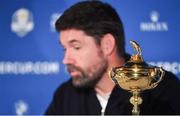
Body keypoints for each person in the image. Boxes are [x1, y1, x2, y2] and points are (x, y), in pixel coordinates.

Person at [45, 0, 180, 115]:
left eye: (76, 47)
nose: (66, 59)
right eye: (64, 49)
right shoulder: (65, 96)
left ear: (107, 45)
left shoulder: (160, 90)